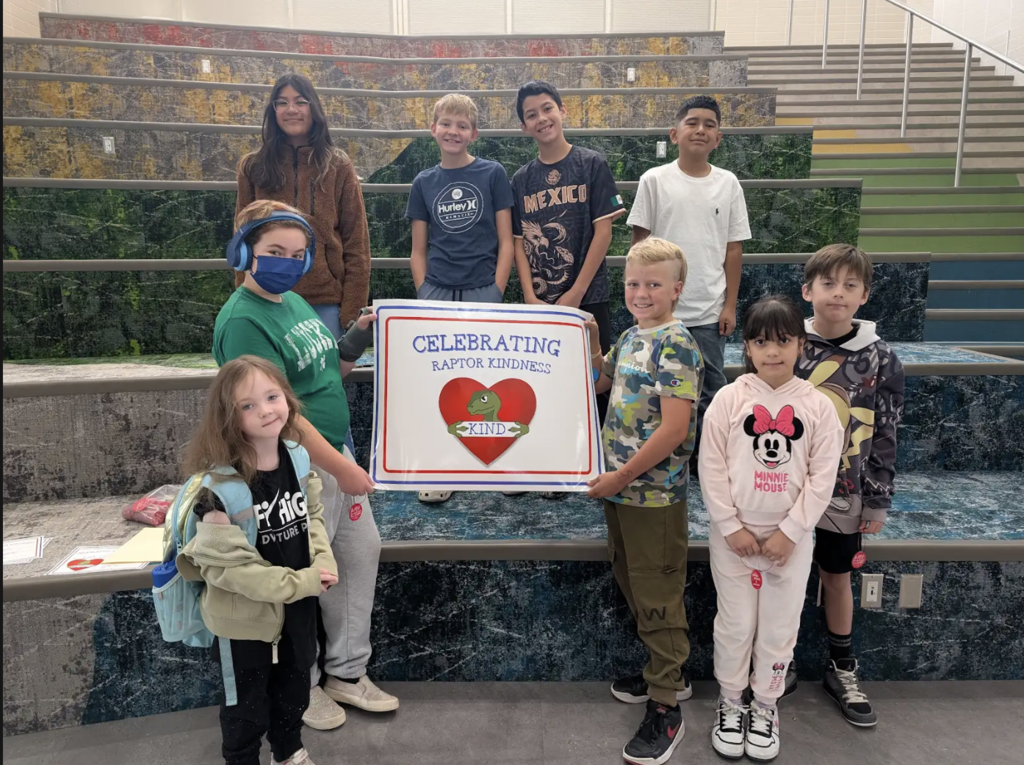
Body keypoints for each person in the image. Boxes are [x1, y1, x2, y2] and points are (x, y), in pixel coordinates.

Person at [213, 199, 398, 733]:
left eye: (298, 254)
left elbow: (325, 369)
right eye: (275, 251)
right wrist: (341, 468)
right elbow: (275, 416)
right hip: (292, 470)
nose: (289, 263)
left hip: (333, 457)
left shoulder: (291, 301)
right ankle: (301, 686)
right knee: (299, 578)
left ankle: (346, 672)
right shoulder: (243, 322)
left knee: (357, 556)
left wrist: (357, 336)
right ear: (243, 252)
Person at [699, 296, 843, 762]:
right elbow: (711, 467)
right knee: (736, 624)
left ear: (802, 345)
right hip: (733, 540)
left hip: (790, 542)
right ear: (747, 347)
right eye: (761, 342)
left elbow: (822, 477)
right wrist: (729, 526)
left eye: (783, 341)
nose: (772, 351)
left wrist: (792, 531)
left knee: (780, 627)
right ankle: (731, 701)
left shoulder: (818, 406)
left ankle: (765, 705)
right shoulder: (729, 399)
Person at [178, 355, 338, 765]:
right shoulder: (218, 490)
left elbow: (312, 516)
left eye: (272, 396)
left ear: (287, 397)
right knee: (245, 710)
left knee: (294, 692)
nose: (266, 410)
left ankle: (289, 751)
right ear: (227, 418)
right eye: (247, 405)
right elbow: (229, 571)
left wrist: (323, 559)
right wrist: (303, 583)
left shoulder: (297, 457)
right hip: (244, 623)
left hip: (296, 610)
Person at [586, 237, 703, 765]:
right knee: (632, 580)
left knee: (657, 592)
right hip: (619, 488)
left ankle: (665, 705)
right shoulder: (632, 335)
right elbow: (599, 380)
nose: (641, 292)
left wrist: (621, 476)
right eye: (633, 283)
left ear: (676, 289)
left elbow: (674, 429)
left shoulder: (676, 344)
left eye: (654, 284)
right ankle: (665, 670)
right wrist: (591, 336)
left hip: (651, 495)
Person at [797, 244, 905, 727]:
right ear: (808, 291)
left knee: (837, 577)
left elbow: (886, 432)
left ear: (864, 295)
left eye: (850, 285)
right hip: (784, 488)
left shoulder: (882, 358)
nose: (838, 293)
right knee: (780, 572)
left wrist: (876, 500)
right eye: (828, 283)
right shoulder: (788, 346)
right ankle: (776, 661)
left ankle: (841, 667)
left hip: (845, 491)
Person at [627, 95, 751, 468]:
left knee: (711, 389)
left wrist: (729, 305)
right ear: (674, 133)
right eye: (692, 122)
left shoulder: (728, 184)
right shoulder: (654, 180)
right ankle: (659, 458)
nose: (700, 130)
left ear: (719, 138)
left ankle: (707, 462)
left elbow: (733, 249)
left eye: (709, 125)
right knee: (655, 387)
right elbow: (639, 247)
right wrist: (641, 302)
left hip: (708, 310)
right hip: (661, 313)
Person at [406, 93, 515, 504]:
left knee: (489, 377)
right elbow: (418, 249)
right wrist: (424, 291)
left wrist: (496, 289)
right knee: (442, 380)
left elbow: (506, 241)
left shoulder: (493, 173)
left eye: (462, 125)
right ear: (433, 128)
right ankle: (442, 466)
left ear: (474, 133)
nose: (453, 131)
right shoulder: (423, 182)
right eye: (446, 123)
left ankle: (499, 463)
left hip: (483, 290)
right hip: (436, 289)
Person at [511, 79, 626, 418]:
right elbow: (518, 243)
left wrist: (577, 292)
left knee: (595, 383)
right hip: (542, 303)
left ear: (562, 110)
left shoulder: (591, 164)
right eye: (532, 114)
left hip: (589, 297)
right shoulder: (520, 180)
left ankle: (598, 451)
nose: (542, 118)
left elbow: (603, 232)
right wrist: (530, 297)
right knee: (546, 385)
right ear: (524, 126)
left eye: (547, 108)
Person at [235, 72, 370, 340]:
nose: (291, 109)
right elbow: (241, 239)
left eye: (300, 101)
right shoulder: (253, 167)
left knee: (327, 368)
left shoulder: (338, 166)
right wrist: (244, 299)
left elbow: (357, 243)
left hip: (325, 301)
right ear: (273, 110)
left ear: (313, 108)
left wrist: (352, 312)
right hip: (266, 298)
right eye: (282, 102)